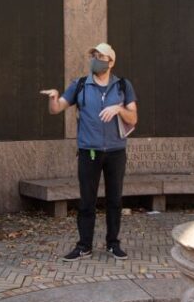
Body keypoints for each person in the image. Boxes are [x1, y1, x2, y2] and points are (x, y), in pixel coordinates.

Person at [41, 43, 138, 261]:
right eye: (94, 56)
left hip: (115, 152)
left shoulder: (123, 86)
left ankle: (113, 244)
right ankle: (84, 245)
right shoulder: (80, 84)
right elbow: (56, 109)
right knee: (86, 201)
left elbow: (134, 119)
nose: (95, 59)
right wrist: (53, 98)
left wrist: (119, 109)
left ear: (111, 61)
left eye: (100, 56)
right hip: (89, 152)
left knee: (114, 200)